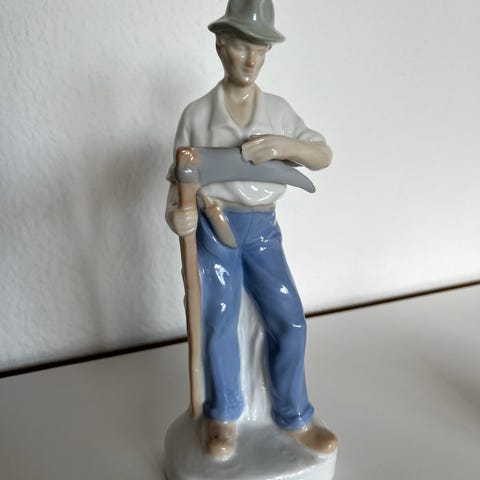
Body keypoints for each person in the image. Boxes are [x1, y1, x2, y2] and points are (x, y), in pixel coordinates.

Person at [166, 0, 337, 460]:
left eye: (260, 51)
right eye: (243, 47)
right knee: (217, 318)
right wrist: (178, 216)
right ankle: (222, 415)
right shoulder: (197, 115)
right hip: (214, 226)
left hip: (262, 231)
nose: (251, 61)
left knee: (289, 318)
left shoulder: (277, 110)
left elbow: (322, 156)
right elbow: (177, 188)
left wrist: (282, 146)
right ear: (221, 46)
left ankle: (294, 414)